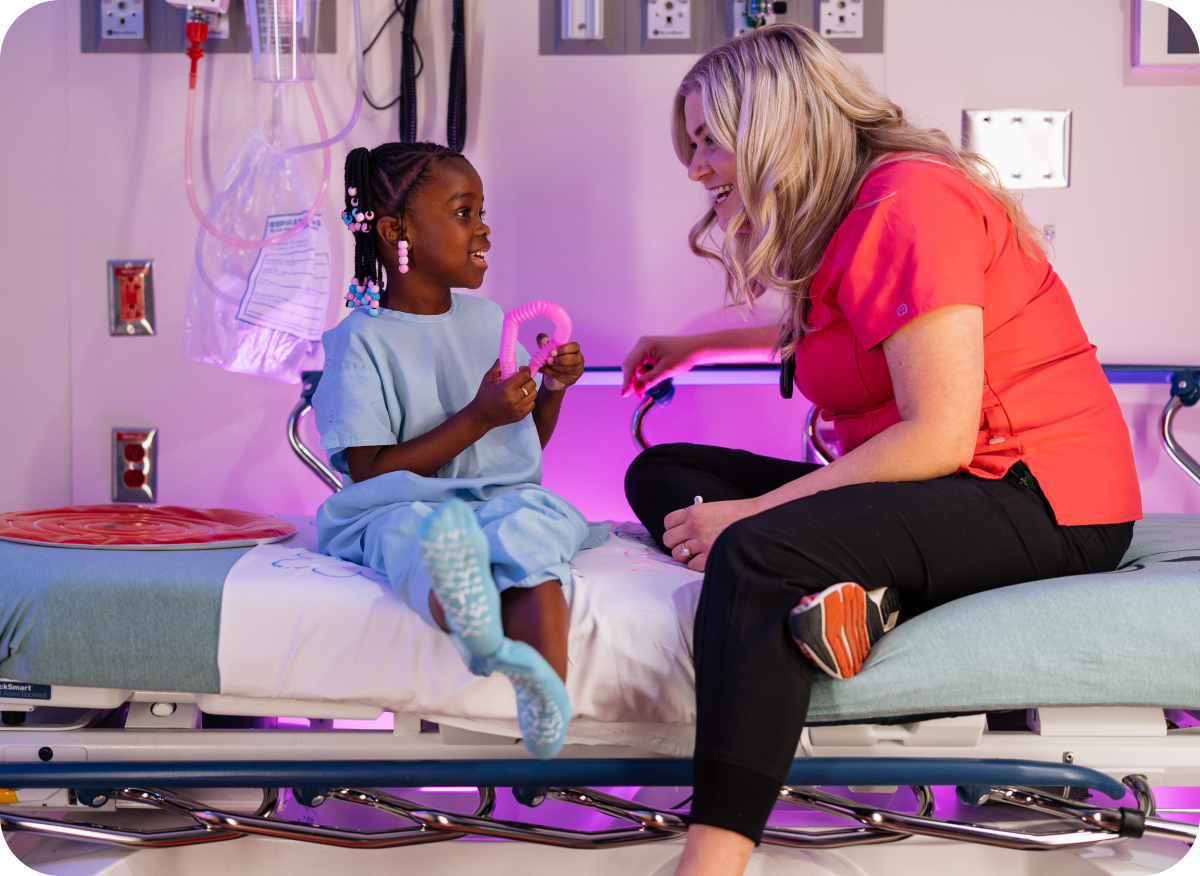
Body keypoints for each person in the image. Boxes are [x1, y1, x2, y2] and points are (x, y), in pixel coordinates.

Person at [621, 25, 1142, 875]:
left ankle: (710, 860)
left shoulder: (908, 203)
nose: (697, 168)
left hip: (1039, 494)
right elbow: (857, 336)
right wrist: (698, 348)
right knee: (664, 470)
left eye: (711, 141)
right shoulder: (850, 212)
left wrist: (756, 516)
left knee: (755, 550)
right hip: (954, 484)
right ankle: (868, 596)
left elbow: (938, 433)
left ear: (774, 126)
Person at [313, 142, 589, 759]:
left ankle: (545, 696)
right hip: (395, 502)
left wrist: (550, 392)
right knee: (410, 531)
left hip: (497, 497)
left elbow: (516, 450)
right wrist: (478, 415)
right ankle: (470, 621)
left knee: (531, 524)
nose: (484, 228)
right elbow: (370, 476)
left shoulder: (488, 320)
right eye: (465, 213)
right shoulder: (360, 341)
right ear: (397, 232)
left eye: (481, 212)